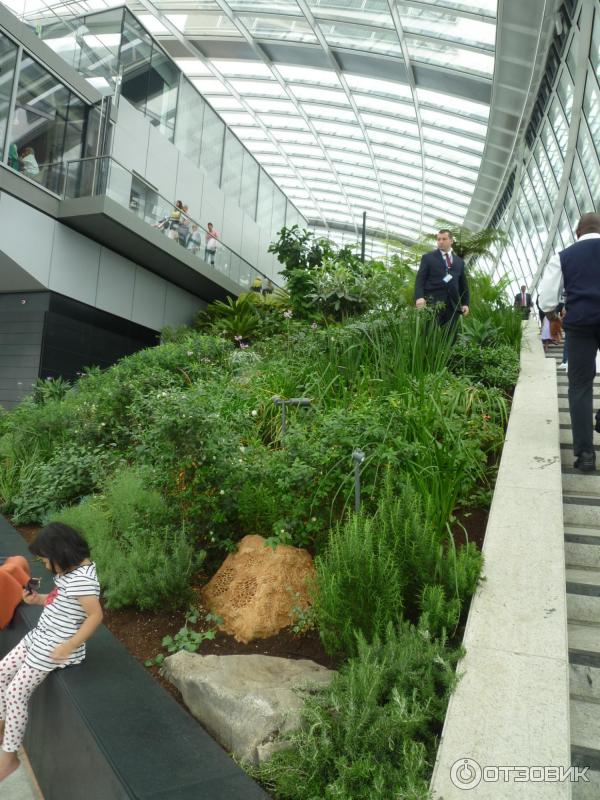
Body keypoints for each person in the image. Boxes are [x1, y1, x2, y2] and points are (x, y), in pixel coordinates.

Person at [0, 523, 102, 782]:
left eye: (46, 561)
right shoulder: (70, 571)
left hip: (55, 646)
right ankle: (2, 727)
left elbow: (95, 615)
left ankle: (9, 757)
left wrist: (70, 645)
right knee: (2, 672)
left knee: (15, 693)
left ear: (61, 552)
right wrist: (40, 599)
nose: (45, 567)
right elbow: (63, 602)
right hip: (42, 635)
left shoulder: (83, 580)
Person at [538, 212, 600, 472]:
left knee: (580, 386)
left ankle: (585, 454)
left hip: (581, 325)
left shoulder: (563, 256)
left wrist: (553, 316)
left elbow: (547, 300)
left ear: (577, 233)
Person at [414, 229, 470, 328]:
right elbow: (420, 280)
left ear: (451, 241)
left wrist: (465, 303)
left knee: (450, 338)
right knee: (429, 334)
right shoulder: (428, 258)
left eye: (444, 239)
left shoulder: (459, 262)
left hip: (453, 306)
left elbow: (463, 285)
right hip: (432, 304)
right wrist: (419, 297)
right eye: (439, 239)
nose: (441, 241)